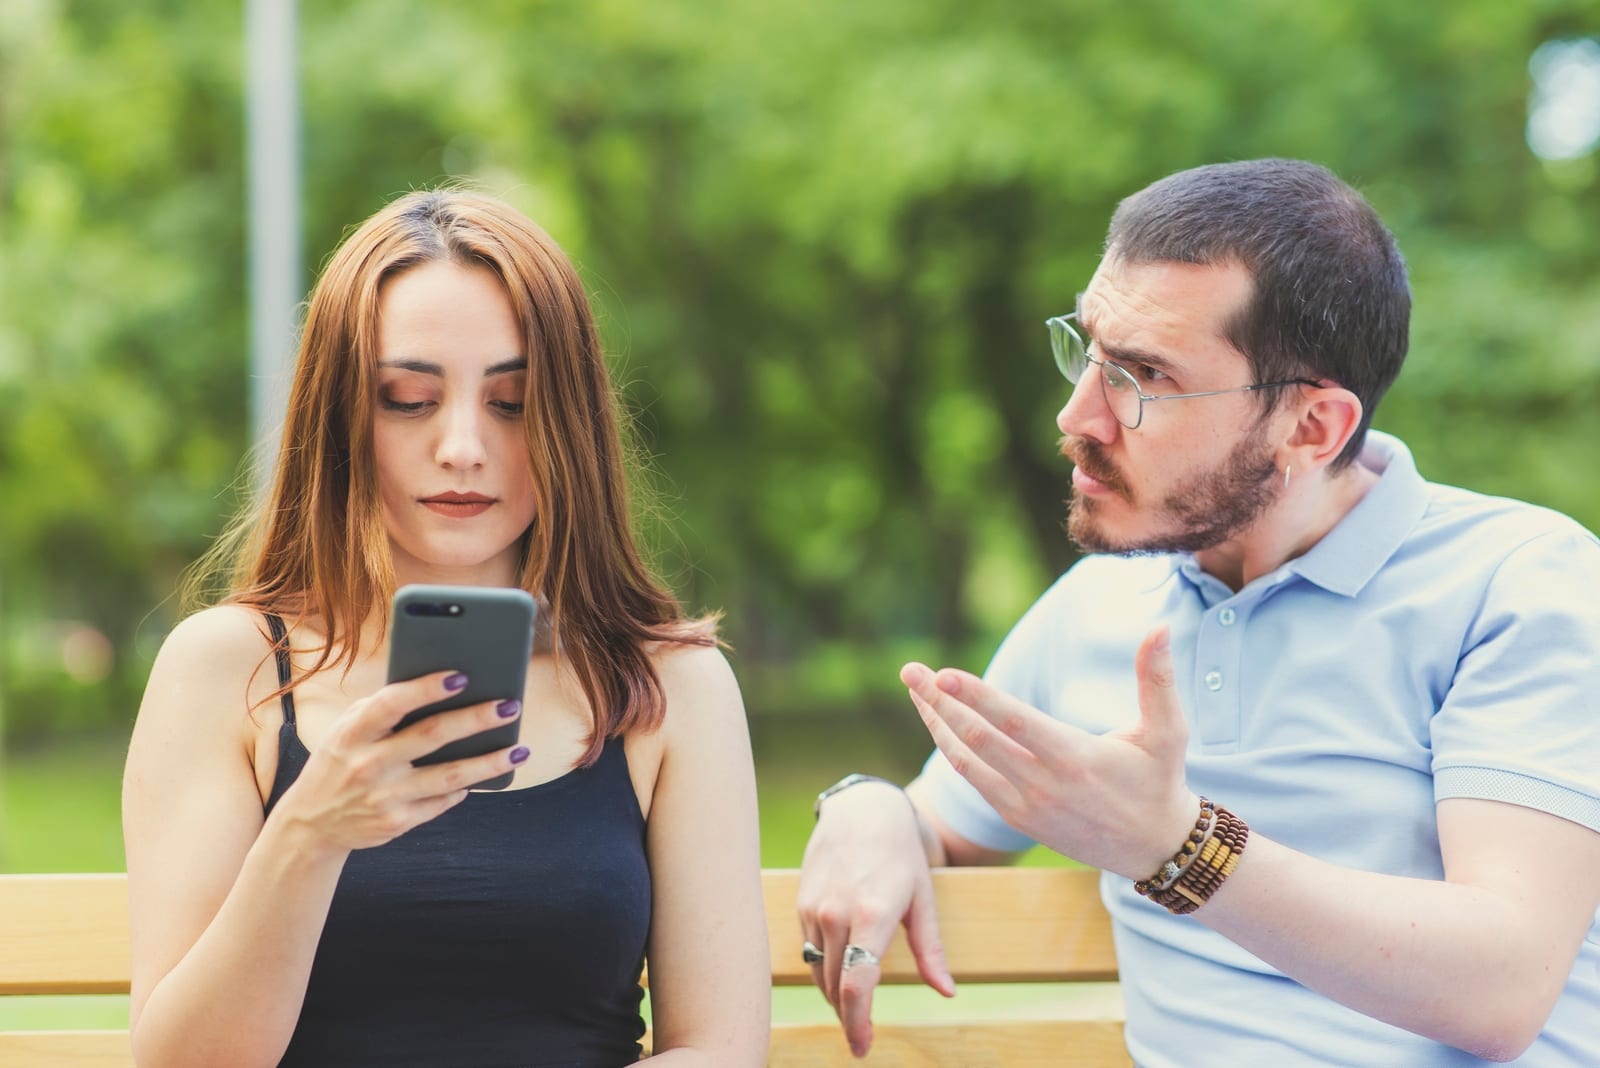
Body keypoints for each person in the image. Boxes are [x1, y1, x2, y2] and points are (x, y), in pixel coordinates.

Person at [797, 159, 1600, 1065]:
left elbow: (1504, 985)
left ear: (1312, 429)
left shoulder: (1521, 583)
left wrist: (1176, 846)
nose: (1077, 416)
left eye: (1143, 376)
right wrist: (865, 806)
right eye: (1089, 350)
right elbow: (936, 823)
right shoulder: (1103, 601)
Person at [122, 189, 770, 1067]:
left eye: (512, 403)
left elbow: (720, 1050)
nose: (463, 445)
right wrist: (309, 834)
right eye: (408, 399)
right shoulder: (228, 669)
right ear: (343, 419)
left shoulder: (671, 686)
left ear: (569, 423)